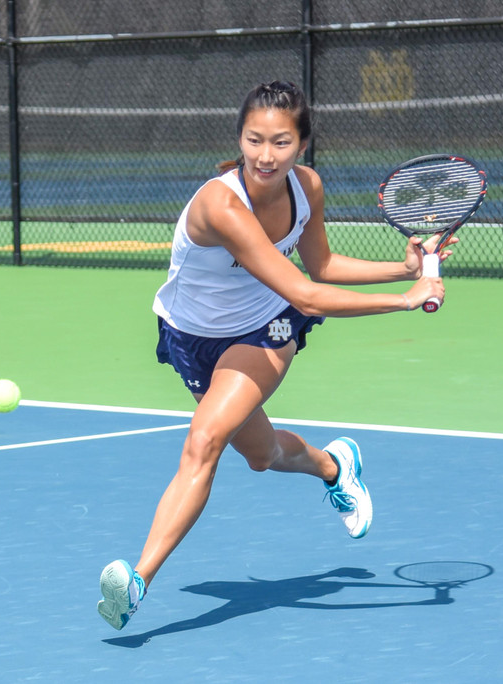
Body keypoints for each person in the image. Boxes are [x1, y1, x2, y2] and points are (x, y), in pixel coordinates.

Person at [97, 80, 453, 631]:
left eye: (281, 143)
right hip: (190, 335)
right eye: (255, 140)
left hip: (267, 326)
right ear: (240, 139)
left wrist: (403, 271)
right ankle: (335, 467)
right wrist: (407, 300)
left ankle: (136, 582)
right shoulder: (221, 205)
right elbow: (312, 290)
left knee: (203, 442)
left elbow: (321, 270)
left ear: (302, 145)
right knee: (260, 455)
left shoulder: (306, 187)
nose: (266, 155)